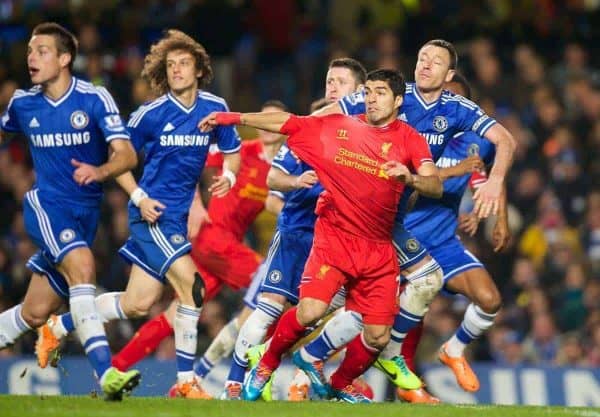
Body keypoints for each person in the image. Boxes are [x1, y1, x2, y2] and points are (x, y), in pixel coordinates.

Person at [200, 68, 443, 403]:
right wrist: (232, 117)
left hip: (378, 249)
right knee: (309, 311)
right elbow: (287, 122)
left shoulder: (410, 140)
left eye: (381, 92)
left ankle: (341, 382)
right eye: (368, 91)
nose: (372, 98)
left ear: (398, 100)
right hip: (333, 241)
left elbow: (435, 184)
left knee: (377, 336)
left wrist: (411, 178)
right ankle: (265, 364)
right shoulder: (338, 127)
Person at [34, 29, 241, 399]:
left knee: (137, 303)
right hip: (152, 214)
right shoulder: (151, 114)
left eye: (184, 64)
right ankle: (186, 383)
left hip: (176, 219)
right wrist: (140, 196)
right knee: (193, 289)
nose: (176, 70)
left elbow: (232, 149)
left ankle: (60, 326)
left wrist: (228, 174)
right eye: (171, 65)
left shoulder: (216, 108)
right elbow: (119, 159)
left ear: (199, 69)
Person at [308, 39, 516, 393]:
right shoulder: (410, 128)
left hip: (443, 240)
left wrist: (499, 217)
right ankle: (318, 364)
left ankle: (450, 351)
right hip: (398, 232)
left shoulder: (473, 143)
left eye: (456, 99)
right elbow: (416, 184)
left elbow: (491, 166)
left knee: (490, 300)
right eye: (423, 59)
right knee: (361, 312)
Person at [0, 22, 139, 400]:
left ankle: (48, 333)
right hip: (46, 205)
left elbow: (126, 154)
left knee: (33, 312)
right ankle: (107, 373)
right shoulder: (22, 103)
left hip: (85, 215)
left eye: (41, 50)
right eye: (30, 50)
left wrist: (101, 171)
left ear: (65, 59)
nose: (31, 57)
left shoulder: (95, 99)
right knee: (84, 268)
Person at [108, 100, 287, 389]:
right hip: (211, 237)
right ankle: (256, 375)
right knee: (274, 288)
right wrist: (194, 204)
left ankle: (114, 368)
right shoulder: (242, 151)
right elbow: (192, 161)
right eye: (262, 119)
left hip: (225, 251)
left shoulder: (282, 168)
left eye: (273, 120)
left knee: (175, 315)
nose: (266, 126)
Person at [220, 58, 368, 400]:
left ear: (359, 92)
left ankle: (282, 360)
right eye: (329, 81)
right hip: (297, 233)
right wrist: (297, 182)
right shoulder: (308, 130)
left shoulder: (368, 137)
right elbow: (273, 178)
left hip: (335, 242)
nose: (331, 87)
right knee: (268, 307)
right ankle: (233, 382)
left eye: (340, 82)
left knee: (350, 309)